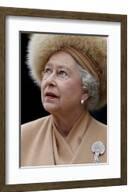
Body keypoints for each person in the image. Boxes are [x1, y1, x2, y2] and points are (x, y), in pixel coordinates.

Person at [21, 34, 107, 166]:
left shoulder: (115, 141)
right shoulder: (22, 136)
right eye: (47, 71)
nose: (49, 81)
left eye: (62, 73)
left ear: (86, 90)